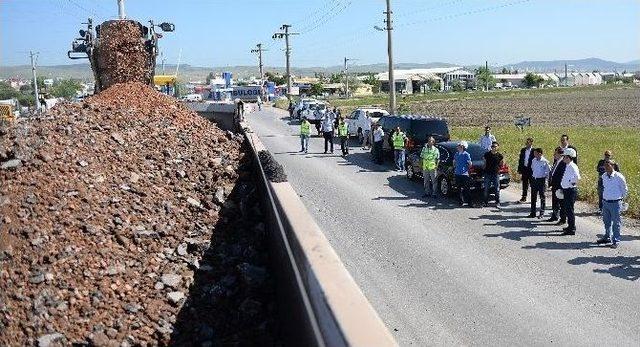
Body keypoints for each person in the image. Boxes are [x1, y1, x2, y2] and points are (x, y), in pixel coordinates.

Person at [596, 160, 628, 248]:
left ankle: (616, 240)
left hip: (615, 203)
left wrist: (621, 199)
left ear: (613, 166)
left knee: (616, 223)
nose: (605, 167)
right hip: (605, 202)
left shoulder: (619, 176)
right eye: (605, 165)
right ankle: (607, 237)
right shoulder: (604, 176)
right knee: (606, 222)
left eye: (608, 165)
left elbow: (624, 189)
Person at [559, 148, 580, 235]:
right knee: (568, 209)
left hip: (570, 191)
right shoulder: (568, 165)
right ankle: (570, 226)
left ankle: (572, 229)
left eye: (564, 157)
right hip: (567, 190)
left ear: (568, 157)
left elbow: (577, 177)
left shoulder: (572, 166)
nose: (563, 158)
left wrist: (570, 183)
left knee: (570, 210)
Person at [529, 148, 551, 218]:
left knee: (542, 197)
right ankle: (533, 213)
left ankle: (541, 213)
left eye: (535, 153)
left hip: (542, 180)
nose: (534, 154)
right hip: (534, 180)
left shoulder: (545, 161)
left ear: (540, 153)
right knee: (533, 197)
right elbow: (532, 168)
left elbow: (548, 172)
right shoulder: (533, 160)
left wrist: (547, 182)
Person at [547, 147, 566, 223]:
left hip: (559, 186)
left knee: (561, 203)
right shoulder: (557, 161)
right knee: (555, 202)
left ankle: (563, 219)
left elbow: (561, 176)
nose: (554, 155)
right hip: (555, 186)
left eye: (555, 153)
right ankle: (555, 216)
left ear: (560, 154)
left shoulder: (563, 163)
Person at [483, 141, 504, 206]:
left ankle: (497, 202)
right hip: (487, 173)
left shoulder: (500, 156)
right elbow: (484, 162)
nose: (493, 147)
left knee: (497, 189)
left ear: (498, 147)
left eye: (495, 146)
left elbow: (501, 164)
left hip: (496, 174)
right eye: (492, 146)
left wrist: (500, 168)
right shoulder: (487, 154)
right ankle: (485, 202)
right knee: (486, 188)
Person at [453, 141, 472, 207]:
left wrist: (466, 169)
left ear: (462, 147)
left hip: (464, 174)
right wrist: (455, 167)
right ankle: (461, 201)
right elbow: (454, 162)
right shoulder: (456, 154)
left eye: (459, 146)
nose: (458, 147)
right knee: (459, 189)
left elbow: (470, 164)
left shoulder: (466, 154)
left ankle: (469, 202)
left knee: (467, 189)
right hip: (457, 173)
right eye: (458, 146)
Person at [517, 137, 534, 203]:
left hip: (531, 170)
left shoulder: (534, 150)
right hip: (524, 169)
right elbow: (520, 160)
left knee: (532, 184)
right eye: (526, 142)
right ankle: (524, 197)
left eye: (528, 142)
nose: (527, 143)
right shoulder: (523, 150)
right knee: (524, 184)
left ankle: (533, 197)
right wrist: (519, 169)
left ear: (531, 143)